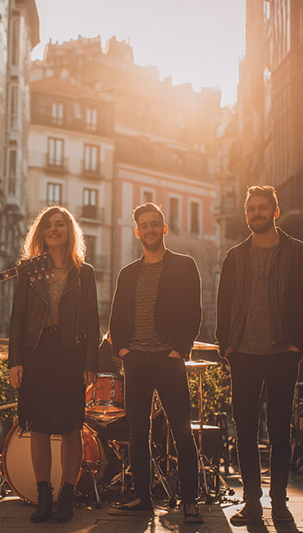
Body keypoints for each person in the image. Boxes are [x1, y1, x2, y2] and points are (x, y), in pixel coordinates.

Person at [215, 186, 303, 525]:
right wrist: (226, 345)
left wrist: (298, 345)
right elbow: (223, 302)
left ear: (275, 212)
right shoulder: (235, 256)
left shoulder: (296, 252)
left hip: (281, 354)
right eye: (251, 209)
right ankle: (252, 502)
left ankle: (279, 502)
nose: (256, 214)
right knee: (245, 429)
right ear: (246, 214)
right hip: (243, 354)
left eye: (263, 208)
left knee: (279, 429)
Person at [107, 202, 203, 524]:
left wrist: (180, 349)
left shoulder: (184, 266)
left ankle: (190, 500)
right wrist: (122, 351)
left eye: (154, 224)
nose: (149, 229)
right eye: (143, 225)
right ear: (137, 231)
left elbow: (194, 312)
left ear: (164, 228)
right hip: (136, 361)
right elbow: (116, 317)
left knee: (181, 431)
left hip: (168, 359)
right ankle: (142, 498)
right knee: (138, 433)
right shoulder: (128, 273)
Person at [8, 206, 99, 523]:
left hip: (70, 355)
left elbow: (92, 321)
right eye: (49, 224)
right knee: (39, 428)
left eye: (61, 224)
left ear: (69, 231)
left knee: (71, 427)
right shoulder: (29, 270)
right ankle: (43, 498)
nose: (55, 229)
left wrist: (91, 362)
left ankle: (67, 497)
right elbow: (17, 319)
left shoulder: (83, 272)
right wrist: (15, 361)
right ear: (41, 232)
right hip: (38, 352)